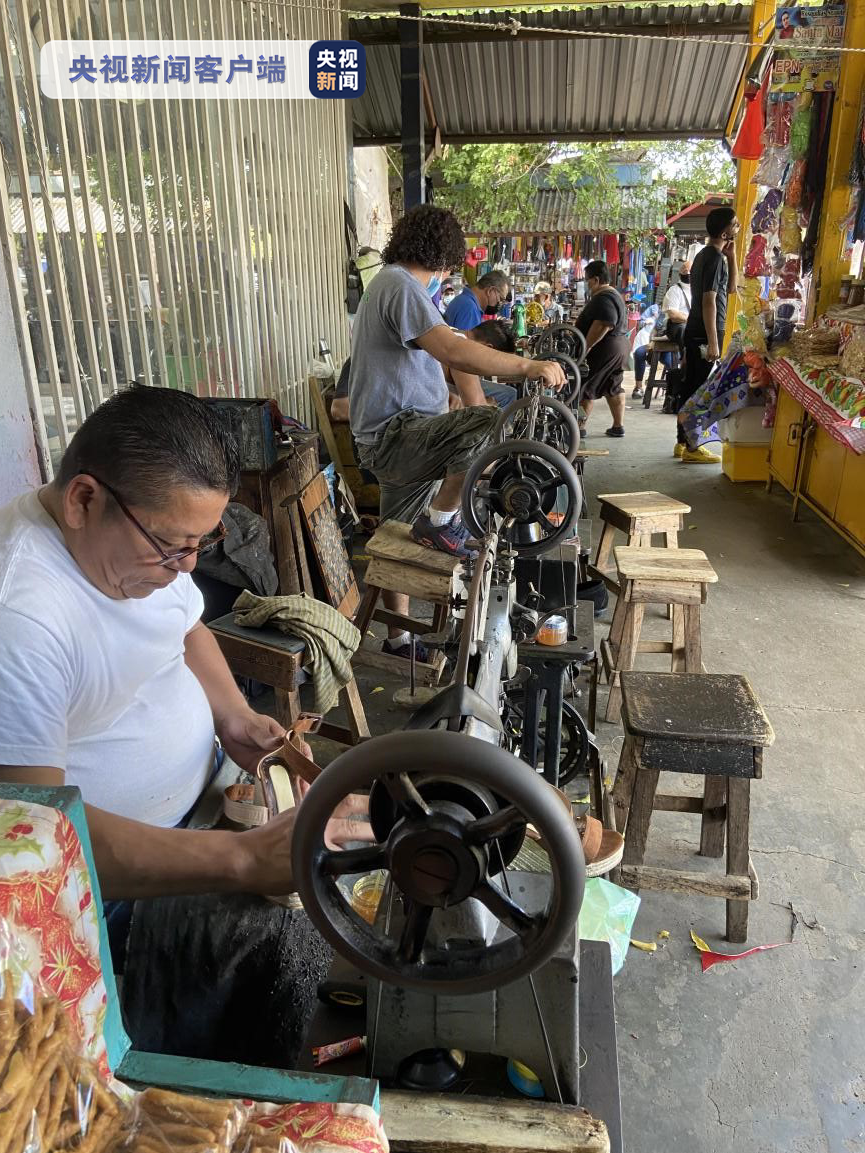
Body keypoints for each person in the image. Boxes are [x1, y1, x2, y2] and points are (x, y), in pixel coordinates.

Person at [0, 386, 366, 904]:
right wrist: (243, 860)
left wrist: (232, 715)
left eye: (201, 544)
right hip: (119, 884)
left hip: (212, 797)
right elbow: (35, 833)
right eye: (174, 547)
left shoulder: (139, 553)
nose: (188, 567)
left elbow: (187, 628)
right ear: (83, 500)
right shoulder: (19, 616)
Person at [348, 204, 565, 659]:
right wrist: (526, 367)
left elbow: (453, 352)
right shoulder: (401, 287)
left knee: (396, 531)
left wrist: (471, 408)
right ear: (444, 256)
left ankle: (399, 641)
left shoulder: (397, 287)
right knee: (492, 422)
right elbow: (453, 348)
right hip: (398, 436)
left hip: (400, 435)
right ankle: (441, 519)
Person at [331, 320, 518, 423]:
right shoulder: (364, 357)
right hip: (381, 442)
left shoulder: (412, 360)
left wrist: (441, 403)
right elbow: (339, 409)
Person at [675, 207, 739, 463]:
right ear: (725, 230)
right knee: (698, 389)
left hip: (698, 330)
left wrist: (732, 257)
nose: (738, 228)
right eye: (735, 224)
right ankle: (692, 446)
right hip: (704, 332)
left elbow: (731, 288)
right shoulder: (712, 258)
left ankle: (682, 442)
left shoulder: (709, 255)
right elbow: (709, 301)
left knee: (691, 385)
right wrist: (713, 341)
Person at [575, 260, 630, 438]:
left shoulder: (603, 298)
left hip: (605, 349)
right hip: (619, 347)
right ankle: (618, 426)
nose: (586, 284)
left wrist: (587, 347)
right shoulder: (614, 294)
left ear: (596, 280)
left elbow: (604, 323)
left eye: (587, 280)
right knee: (613, 386)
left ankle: (579, 428)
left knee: (587, 387)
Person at [631, 263, 691, 402]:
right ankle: (638, 386)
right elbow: (669, 320)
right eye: (685, 271)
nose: (687, 274)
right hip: (665, 336)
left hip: (676, 339)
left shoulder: (697, 292)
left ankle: (674, 387)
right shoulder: (673, 292)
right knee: (640, 352)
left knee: (670, 361)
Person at [443, 270, 510, 330]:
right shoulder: (470, 308)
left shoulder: (464, 300)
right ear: (490, 291)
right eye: (501, 299)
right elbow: (465, 343)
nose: (500, 303)